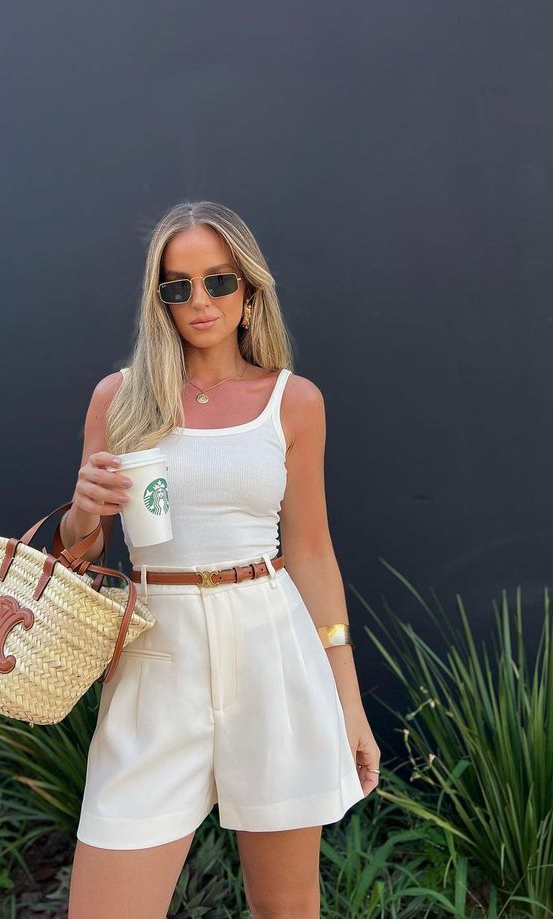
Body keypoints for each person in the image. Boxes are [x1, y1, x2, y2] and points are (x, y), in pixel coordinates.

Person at [62, 200, 380, 919]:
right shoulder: (119, 398)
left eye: (218, 282)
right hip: (155, 652)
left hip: (270, 645)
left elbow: (310, 549)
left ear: (249, 290)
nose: (198, 301)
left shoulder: (293, 402)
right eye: (178, 286)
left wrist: (348, 702)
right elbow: (83, 553)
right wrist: (84, 511)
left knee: (286, 907)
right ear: (159, 298)